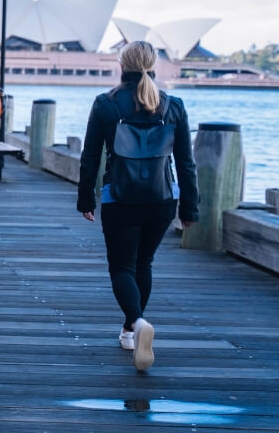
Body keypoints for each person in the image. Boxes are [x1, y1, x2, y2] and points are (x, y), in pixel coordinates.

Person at [77, 40, 199, 371]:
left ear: (122, 64)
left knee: (121, 267)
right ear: (153, 64)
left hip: (120, 197)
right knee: (143, 263)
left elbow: (90, 159)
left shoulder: (106, 104)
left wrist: (85, 198)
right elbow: (186, 163)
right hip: (162, 200)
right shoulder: (173, 105)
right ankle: (131, 329)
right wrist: (190, 207)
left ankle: (136, 321)